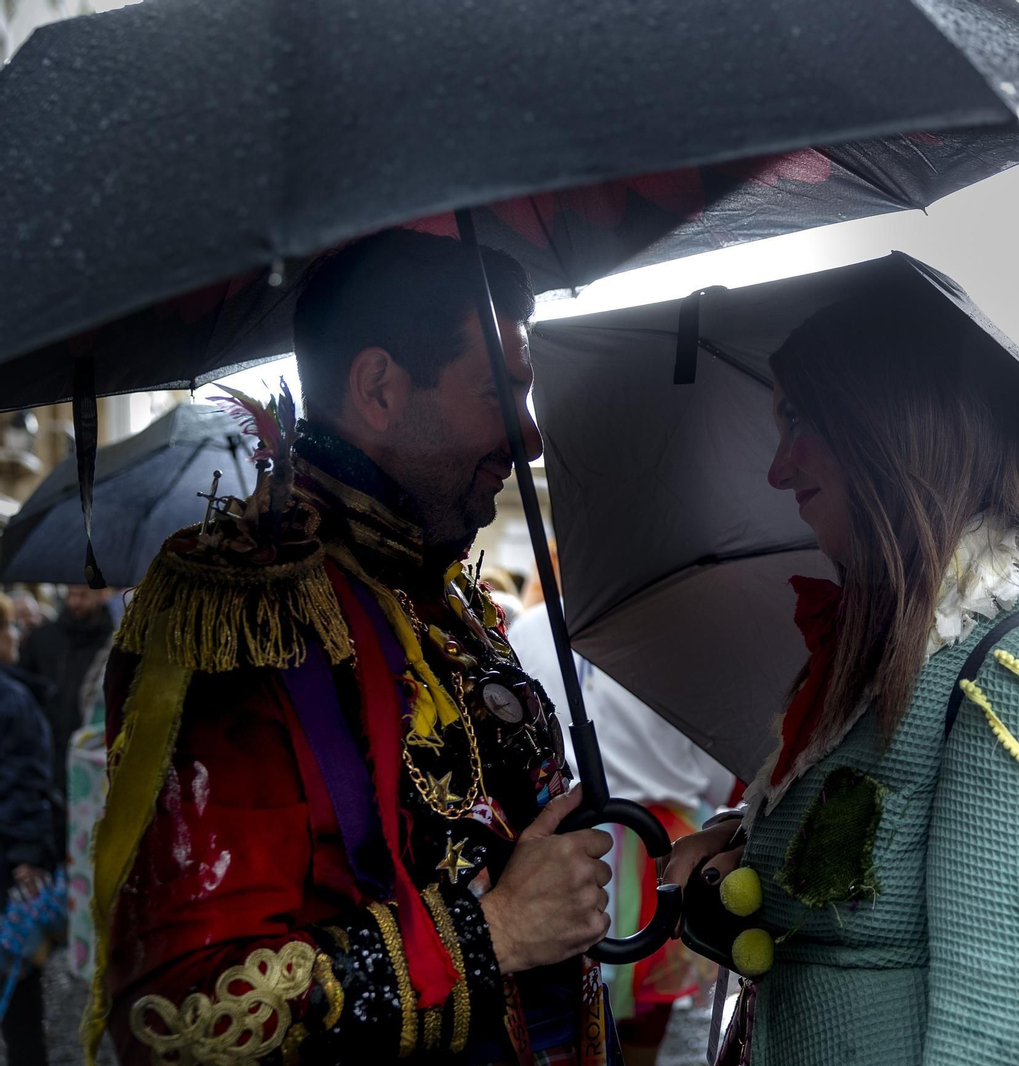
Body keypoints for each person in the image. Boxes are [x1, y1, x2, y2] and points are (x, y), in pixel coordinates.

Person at [88, 229, 622, 1065]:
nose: (531, 437)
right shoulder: (246, 609)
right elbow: (180, 1013)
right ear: (378, 386)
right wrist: (491, 934)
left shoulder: (441, 597)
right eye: (496, 393)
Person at [665, 298, 1019, 1066]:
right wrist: (743, 858)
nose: (778, 466)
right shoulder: (911, 652)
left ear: (886, 426)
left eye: (800, 420)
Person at [510, 588, 734, 1065]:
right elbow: (717, 770)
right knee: (635, 1031)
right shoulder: (684, 633)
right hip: (655, 838)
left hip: (563, 839)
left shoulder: (529, 630)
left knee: (565, 1007)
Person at [0, 592, 58, 1066]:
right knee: (16, 981)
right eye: (8, 629)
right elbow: (25, 782)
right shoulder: (12, 698)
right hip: (6, 863)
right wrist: (27, 854)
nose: (15, 636)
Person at [18, 583, 113, 843]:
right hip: (47, 760)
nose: (75, 602)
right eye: (71, 594)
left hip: (92, 763)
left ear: (100, 594)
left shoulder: (114, 644)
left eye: (83, 595)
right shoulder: (43, 639)